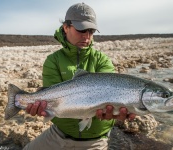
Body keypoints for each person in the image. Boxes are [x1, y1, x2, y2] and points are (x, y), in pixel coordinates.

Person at [23, 3, 135, 150]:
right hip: (58, 135)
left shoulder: (102, 60)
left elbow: (110, 95)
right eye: (81, 29)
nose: (87, 36)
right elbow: (50, 99)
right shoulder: (53, 60)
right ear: (66, 27)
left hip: (95, 141)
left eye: (91, 30)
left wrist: (118, 110)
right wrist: (37, 105)